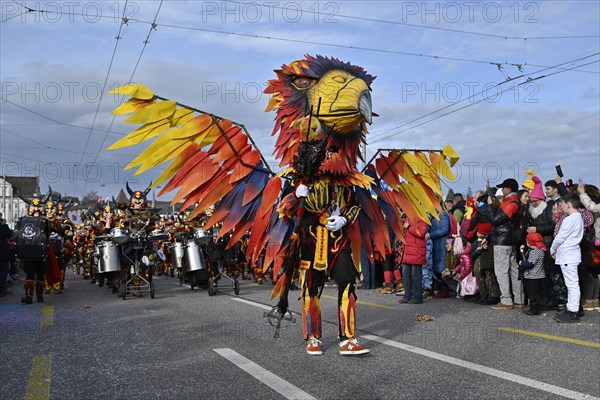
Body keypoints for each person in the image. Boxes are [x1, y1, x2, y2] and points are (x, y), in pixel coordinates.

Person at [292, 182, 369, 356]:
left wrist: (345, 219)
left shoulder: (344, 177)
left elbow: (354, 205)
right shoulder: (300, 175)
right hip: (310, 240)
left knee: (348, 281)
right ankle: (313, 337)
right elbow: (284, 207)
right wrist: (296, 195)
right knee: (311, 287)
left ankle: (347, 338)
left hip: (338, 239)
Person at [490, 178, 523, 310]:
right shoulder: (515, 202)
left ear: (509, 189)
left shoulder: (510, 203)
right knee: (514, 271)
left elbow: (495, 220)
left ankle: (506, 300)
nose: (502, 190)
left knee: (502, 271)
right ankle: (519, 299)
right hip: (512, 241)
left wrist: (491, 206)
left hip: (502, 241)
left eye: (503, 188)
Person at [550, 193, 584, 323]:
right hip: (573, 254)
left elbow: (560, 237)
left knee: (571, 284)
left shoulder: (569, 219)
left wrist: (552, 249)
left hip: (567, 255)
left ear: (568, 205)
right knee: (572, 283)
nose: (561, 207)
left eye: (563, 204)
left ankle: (573, 311)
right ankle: (572, 308)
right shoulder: (578, 217)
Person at [398, 216, 427, 304]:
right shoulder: (407, 217)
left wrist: (409, 227)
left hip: (416, 250)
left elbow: (421, 232)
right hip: (408, 250)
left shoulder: (421, 217)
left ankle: (417, 297)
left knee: (416, 276)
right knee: (406, 275)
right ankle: (407, 296)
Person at [518, 232, 547, 316]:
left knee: (533, 294)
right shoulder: (536, 250)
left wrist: (520, 263)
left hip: (534, 276)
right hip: (535, 276)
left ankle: (534, 309)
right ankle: (536, 307)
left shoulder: (536, 252)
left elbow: (530, 264)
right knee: (536, 293)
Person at [0, 217, 13, 297]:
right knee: (3, 273)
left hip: (3, 255)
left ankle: (3, 288)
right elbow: (9, 233)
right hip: (2, 256)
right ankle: (2, 289)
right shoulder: (2, 228)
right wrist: (4, 225)